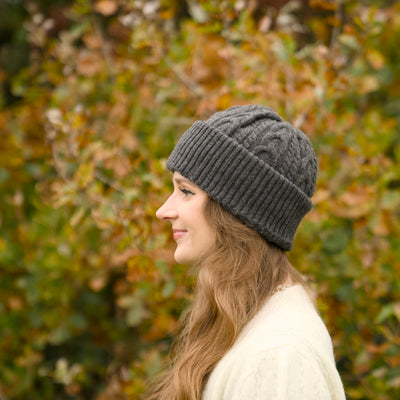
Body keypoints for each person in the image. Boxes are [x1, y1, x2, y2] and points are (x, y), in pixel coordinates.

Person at [146, 105, 346, 400]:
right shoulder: (245, 320)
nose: (163, 211)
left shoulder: (278, 358)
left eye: (185, 191)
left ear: (235, 212)